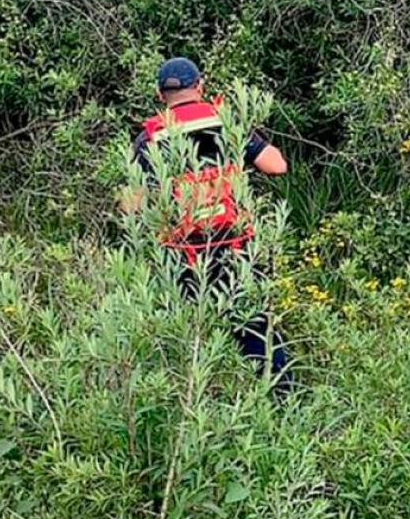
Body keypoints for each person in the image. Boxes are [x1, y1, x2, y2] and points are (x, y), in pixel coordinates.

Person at [121, 56, 291, 388]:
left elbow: (132, 207)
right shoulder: (226, 122)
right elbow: (276, 165)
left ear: (160, 95)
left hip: (182, 255)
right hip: (235, 247)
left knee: (185, 337)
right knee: (256, 331)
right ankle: (282, 402)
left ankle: (193, 405)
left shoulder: (150, 138)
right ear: (199, 86)